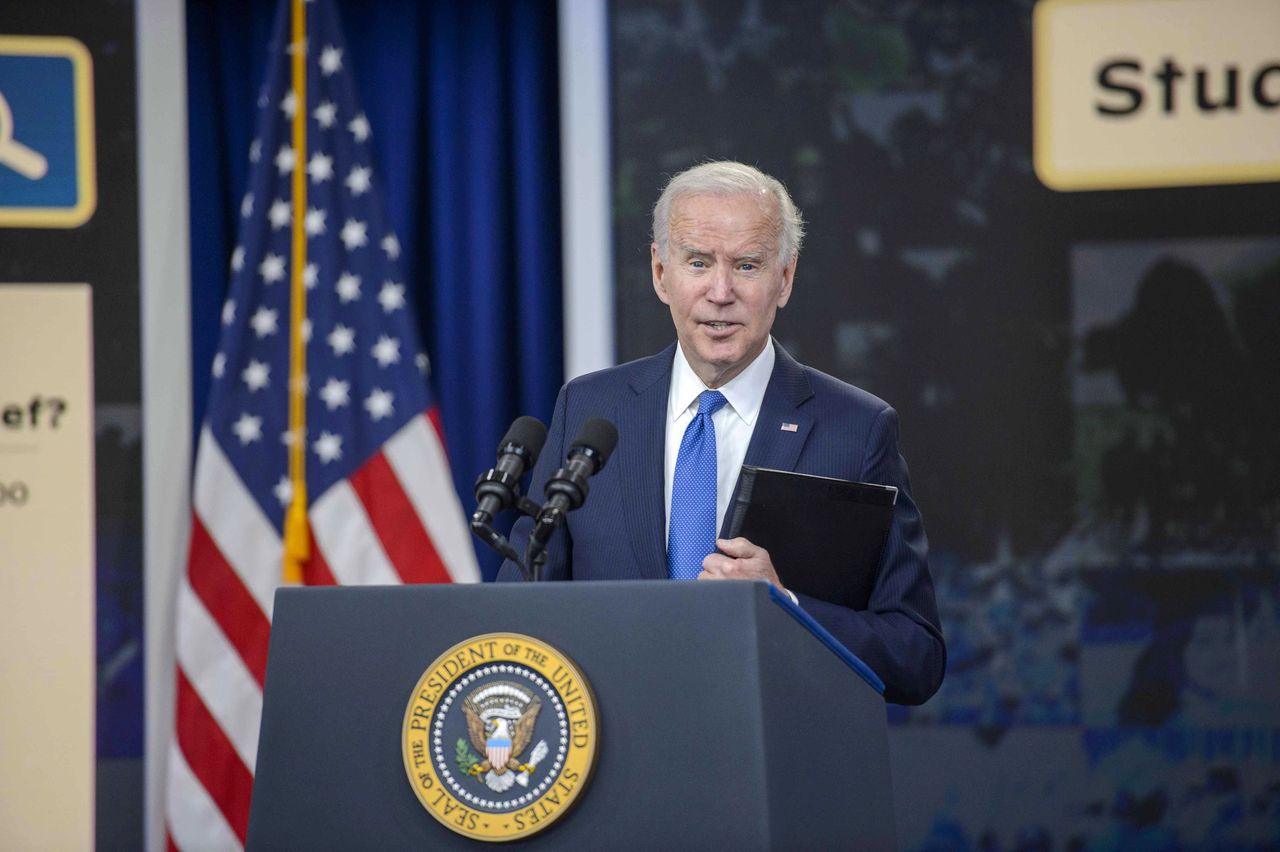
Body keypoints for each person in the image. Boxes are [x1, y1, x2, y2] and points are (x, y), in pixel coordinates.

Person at [497, 161, 944, 705]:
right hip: (614, 765)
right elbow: (516, 610)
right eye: (698, 262)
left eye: (748, 265)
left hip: (771, 768)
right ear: (661, 274)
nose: (720, 291)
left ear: (785, 279)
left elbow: (916, 656)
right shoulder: (591, 409)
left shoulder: (856, 429)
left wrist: (787, 608)